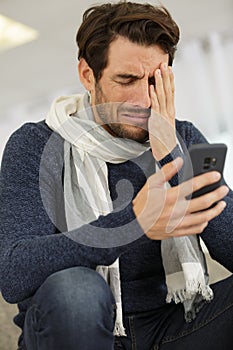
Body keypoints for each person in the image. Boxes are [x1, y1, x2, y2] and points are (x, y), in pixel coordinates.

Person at [0, 1, 232, 349]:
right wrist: (132, 223)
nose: (143, 99)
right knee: (77, 289)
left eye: (156, 80)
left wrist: (173, 154)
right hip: (78, 324)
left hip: (171, 328)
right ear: (87, 75)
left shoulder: (182, 137)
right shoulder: (35, 144)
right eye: (127, 79)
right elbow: (15, 272)